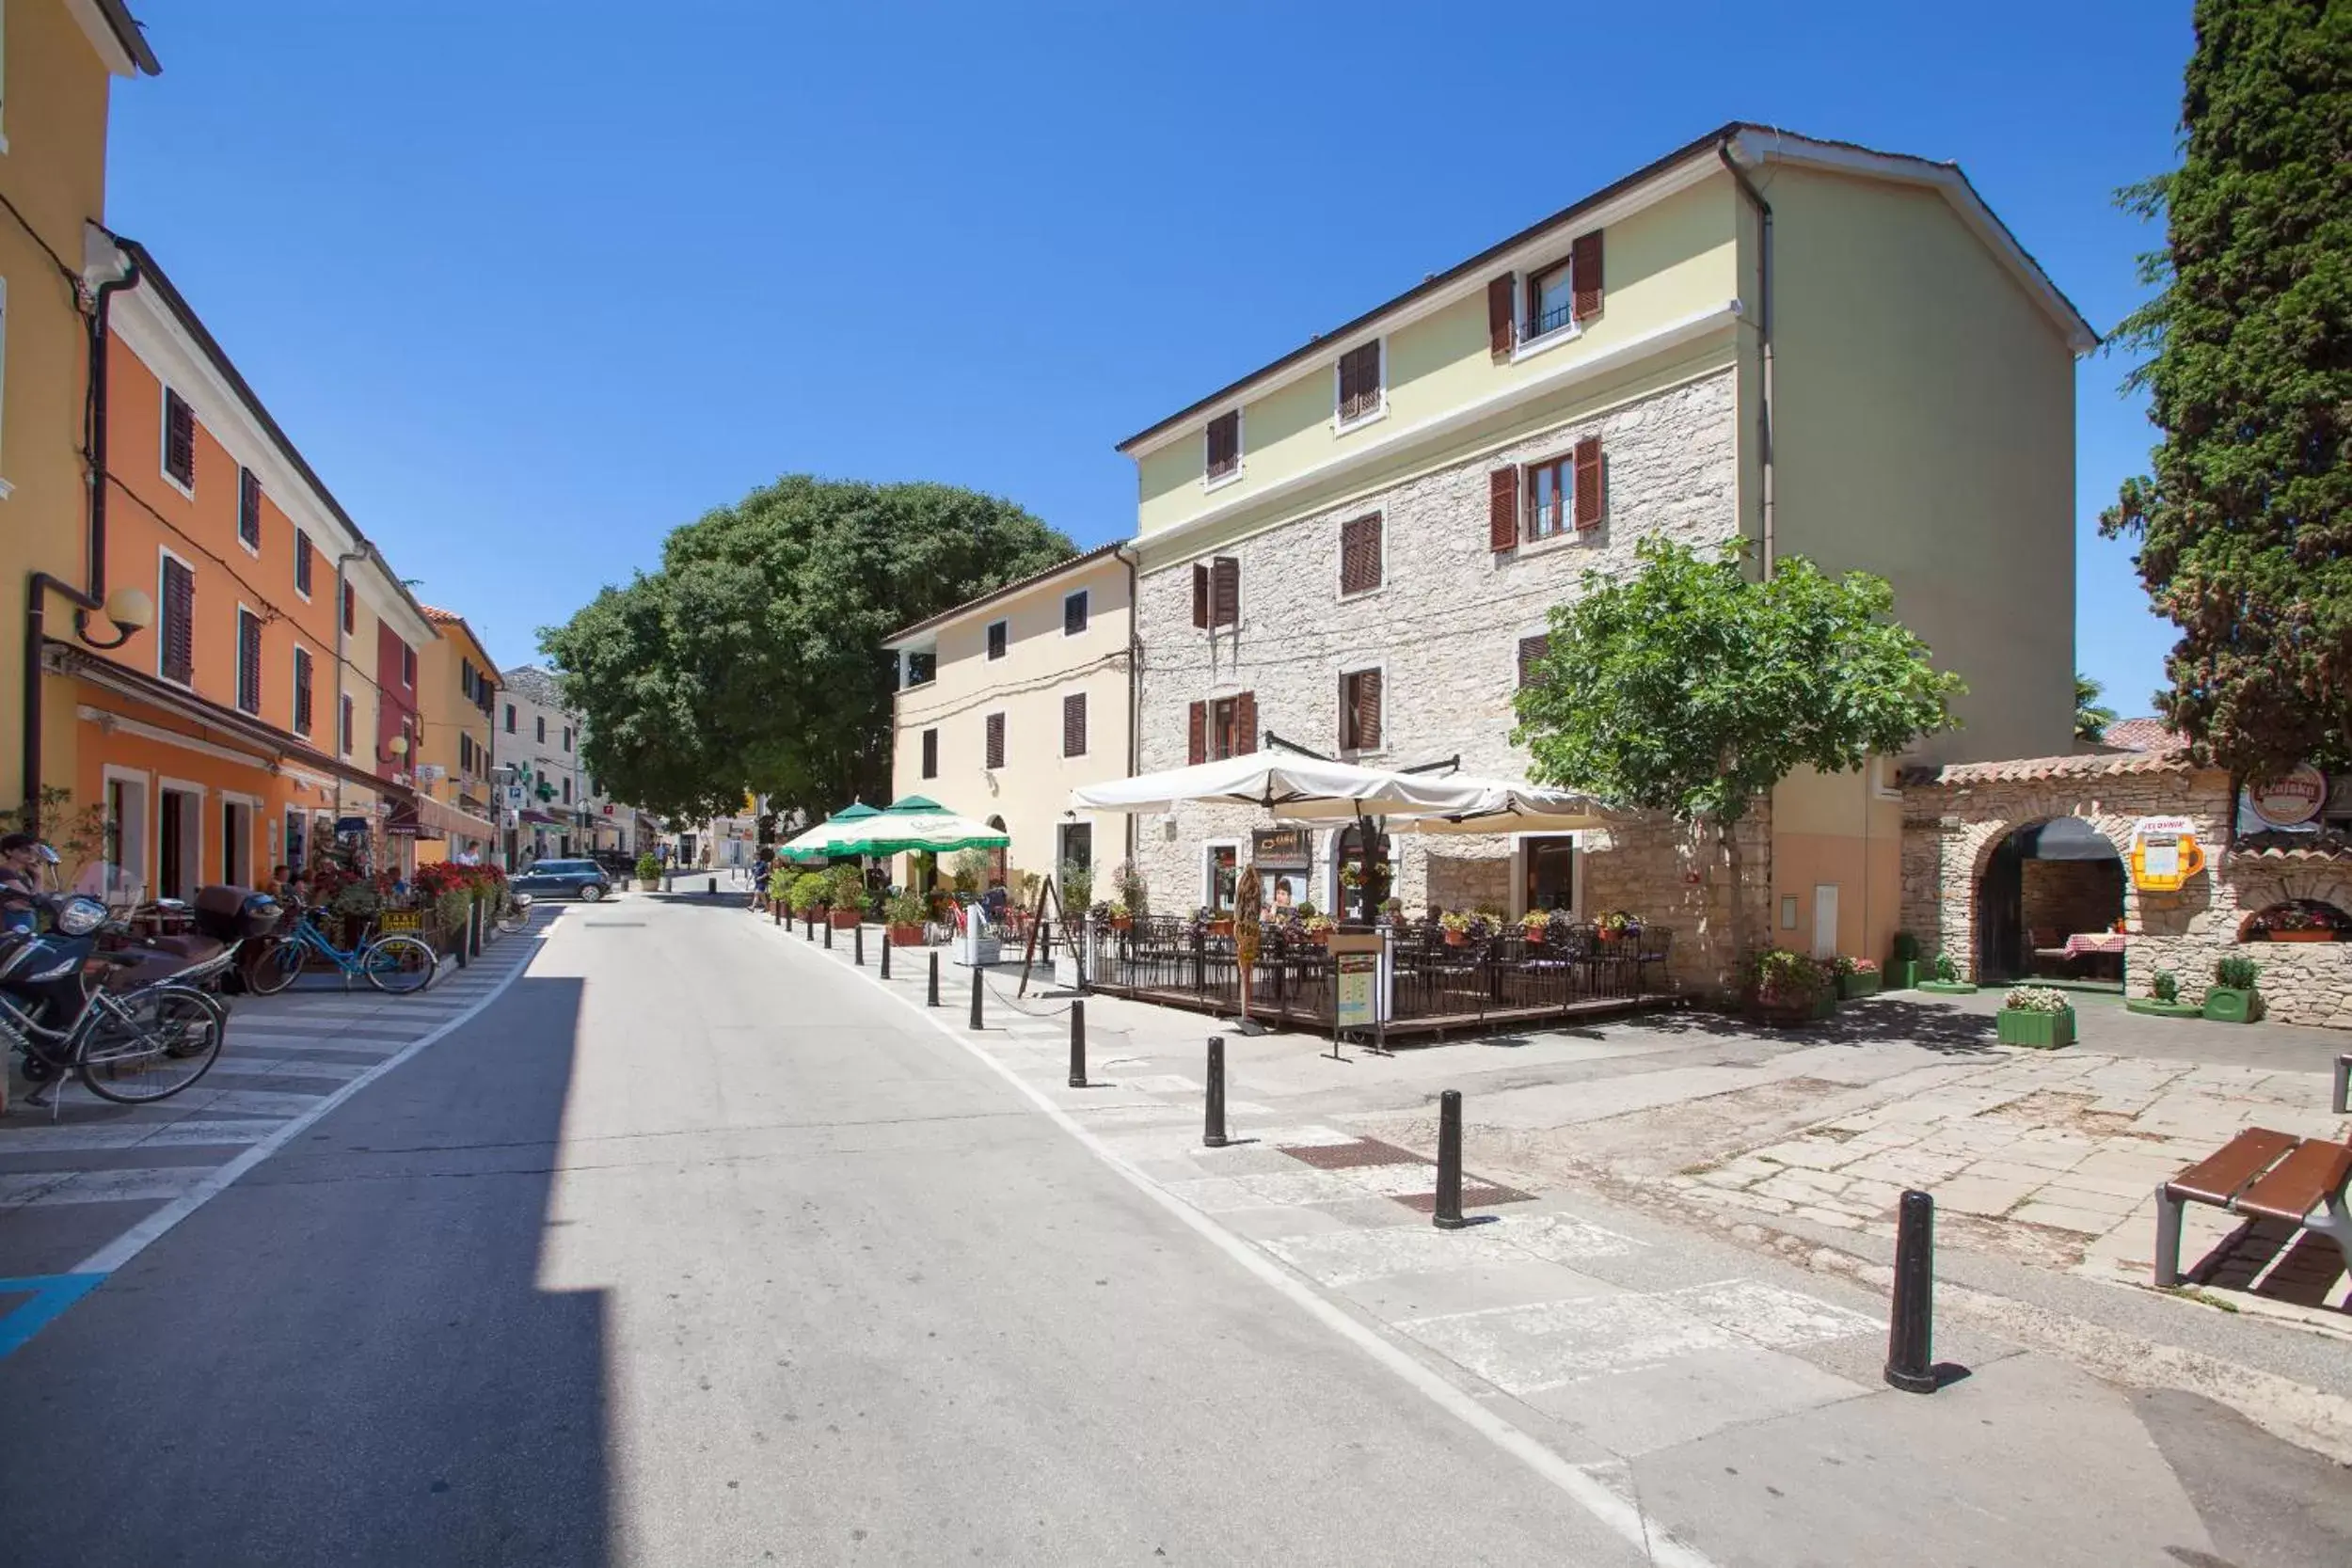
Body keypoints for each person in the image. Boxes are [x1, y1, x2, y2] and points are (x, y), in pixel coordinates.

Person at [0, 832, 42, 934]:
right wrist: (38, 878)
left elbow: (38, 899)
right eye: (25, 850)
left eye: (35, 851)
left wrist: (37, 876)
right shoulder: (4, 872)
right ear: (9, 852)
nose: (31, 854)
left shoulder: (23, 875)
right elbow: (29, 900)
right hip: (11, 927)